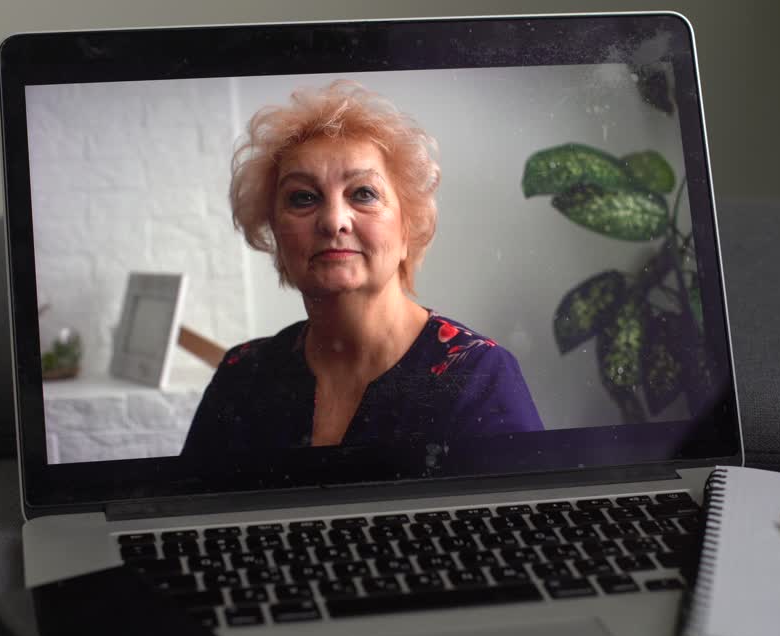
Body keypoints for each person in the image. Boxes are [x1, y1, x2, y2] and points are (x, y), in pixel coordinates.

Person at [181, 81, 541, 456]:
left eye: (363, 193)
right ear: (275, 234)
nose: (334, 220)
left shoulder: (478, 375)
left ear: (408, 228)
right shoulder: (242, 375)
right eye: (303, 197)